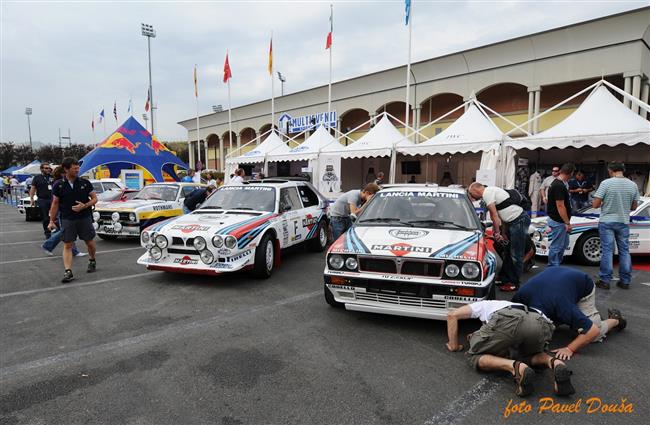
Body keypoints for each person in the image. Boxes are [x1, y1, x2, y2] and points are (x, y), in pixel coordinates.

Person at [446, 300, 574, 397]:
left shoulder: (484, 304)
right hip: (540, 320)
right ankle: (555, 362)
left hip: (508, 319)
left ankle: (516, 367)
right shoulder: (504, 303)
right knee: (530, 355)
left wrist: (454, 345)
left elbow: (452, 315)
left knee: (473, 356)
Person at [512, 267, 627, 361]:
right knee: (561, 324)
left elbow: (592, 331)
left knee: (593, 332)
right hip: (557, 280)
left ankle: (615, 320)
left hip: (582, 285)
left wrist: (569, 349)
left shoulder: (562, 307)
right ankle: (584, 317)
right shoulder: (519, 298)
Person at [468, 183, 530, 292]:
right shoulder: (491, 192)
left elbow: (495, 216)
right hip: (514, 222)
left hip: (518, 221)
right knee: (508, 252)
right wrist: (504, 233)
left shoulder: (487, 193)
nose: (472, 197)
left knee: (516, 254)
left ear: (475, 190)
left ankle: (514, 283)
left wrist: (497, 233)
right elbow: (503, 214)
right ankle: (505, 278)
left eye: (471, 193)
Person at [48, 157, 98, 283]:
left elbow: (95, 199)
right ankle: (68, 271)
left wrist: (85, 205)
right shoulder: (58, 185)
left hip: (84, 218)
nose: (77, 170)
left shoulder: (85, 183)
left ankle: (92, 259)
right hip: (67, 219)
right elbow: (55, 203)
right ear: (66, 169)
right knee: (68, 244)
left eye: (78, 168)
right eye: (75, 168)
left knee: (89, 242)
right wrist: (51, 220)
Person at [592, 162, 640, 290]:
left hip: (607, 221)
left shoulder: (606, 183)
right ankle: (625, 281)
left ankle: (605, 280)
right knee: (624, 251)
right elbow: (634, 206)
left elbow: (595, 204)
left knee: (607, 251)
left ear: (610, 170)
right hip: (623, 221)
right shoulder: (632, 185)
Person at [42, 166, 84, 257]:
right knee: (65, 231)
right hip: (63, 210)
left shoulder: (58, 182)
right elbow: (56, 200)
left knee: (66, 231)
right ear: (63, 173)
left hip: (64, 210)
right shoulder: (60, 183)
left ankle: (73, 251)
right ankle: (48, 245)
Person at [546, 163, 575, 267]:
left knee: (562, 245)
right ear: (570, 173)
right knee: (557, 246)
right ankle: (553, 267)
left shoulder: (557, 183)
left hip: (558, 219)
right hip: (558, 220)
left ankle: (555, 266)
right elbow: (560, 206)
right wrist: (567, 222)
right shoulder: (558, 185)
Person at [29, 162, 54, 239]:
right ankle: (47, 233)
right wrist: (32, 198)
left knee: (57, 216)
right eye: (46, 168)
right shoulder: (37, 178)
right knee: (45, 217)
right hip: (42, 199)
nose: (48, 169)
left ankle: (58, 231)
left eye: (49, 168)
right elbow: (33, 188)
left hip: (53, 199)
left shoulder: (53, 176)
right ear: (41, 169)